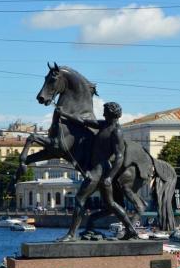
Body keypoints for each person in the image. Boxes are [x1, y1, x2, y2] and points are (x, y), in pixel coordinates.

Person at [57, 102, 136, 239]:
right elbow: (83, 121)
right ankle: (131, 230)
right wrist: (64, 114)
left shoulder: (116, 132)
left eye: (105, 111)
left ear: (111, 113)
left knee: (80, 198)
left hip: (100, 170)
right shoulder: (104, 125)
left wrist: (110, 177)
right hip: (97, 169)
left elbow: (119, 157)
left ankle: (70, 234)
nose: (103, 113)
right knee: (111, 204)